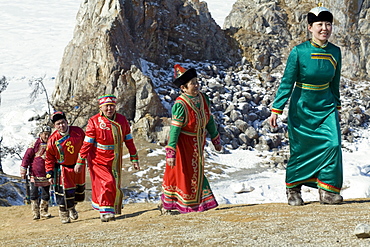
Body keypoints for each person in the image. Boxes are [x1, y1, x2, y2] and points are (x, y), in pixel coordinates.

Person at [269, 5, 343, 205]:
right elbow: (286, 82)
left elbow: (334, 83)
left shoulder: (335, 52)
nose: (324, 28)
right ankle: (293, 188)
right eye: (319, 24)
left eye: (328, 24)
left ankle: (327, 191)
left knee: (333, 144)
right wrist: (277, 109)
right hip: (302, 107)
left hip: (326, 106)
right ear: (310, 27)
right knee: (301, 149)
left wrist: (337, 107)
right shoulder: (299, 52)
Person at [160, 64, 222, 214]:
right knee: (182, 174)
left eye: (196, 82)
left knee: (198, 172)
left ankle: (199, 204)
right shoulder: (180, 105)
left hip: (198, 143)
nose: (196, 85)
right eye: (192, 83)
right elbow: (175, 130)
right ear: (183, 88)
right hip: (184, 144)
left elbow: (209, 119)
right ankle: (175, 205)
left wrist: (215, 138)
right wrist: (171, 151)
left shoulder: (203, 98)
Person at [76, 94, 140, 222]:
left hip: (115, 159)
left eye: (112, 106)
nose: (109, 109)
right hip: (97, 159)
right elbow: (87, 143)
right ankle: (105, 212)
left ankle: (108, 208)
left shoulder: (121, 120)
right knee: (107, 182)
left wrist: (134, 158)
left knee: (114, 184)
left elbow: (128, 140)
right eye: (106, 106)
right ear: (101, 107)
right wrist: (80, 160)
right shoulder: (93, 121)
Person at [45, 111, 86, 223]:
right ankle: (63, 213)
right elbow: (49, 158)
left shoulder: (78, 132)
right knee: (63, 192)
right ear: (55, 126)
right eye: (58, 124)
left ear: (67, 122)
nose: (61, 126)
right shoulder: (52, 140)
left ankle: (72, 207)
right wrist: (49, 173)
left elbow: (86, 147)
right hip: (62, 169)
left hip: (78, 167)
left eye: (63, 122)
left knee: (77, 191)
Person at [20, 125, 52, 220]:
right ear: (40, 134)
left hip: (47, 173)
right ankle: (35, 213)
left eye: (48, 134)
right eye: (45, 134)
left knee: (46, 193)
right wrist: (23, 169)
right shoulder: (34, 143)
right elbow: (27, 157)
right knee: (34, 193)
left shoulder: (52, 143)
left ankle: (44, 211)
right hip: (35, 173)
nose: (47, 136)